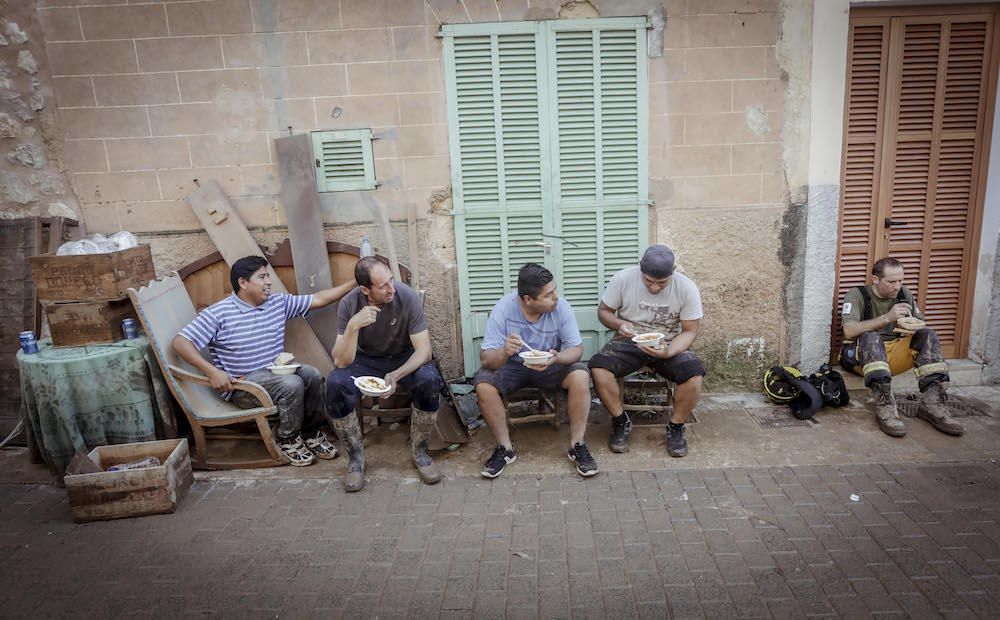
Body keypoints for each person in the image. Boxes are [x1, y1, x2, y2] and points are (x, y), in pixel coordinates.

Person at [173, 255, 355, 466]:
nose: (269, 281)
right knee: (292, 384)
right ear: (243, 282)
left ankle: (311, 434)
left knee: (313, 375)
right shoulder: (219, 313)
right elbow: (180, 342)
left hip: (274, 374)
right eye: (262, 277)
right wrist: (212, 371)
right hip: (243, 387)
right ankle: (287, 438)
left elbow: (319, 299)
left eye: (268, 276)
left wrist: (354, 283)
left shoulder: (277, 303)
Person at [326, 257, 444, 491]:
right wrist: (352, 327)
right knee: (334, 383)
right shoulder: (349, 304)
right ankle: (355, 460)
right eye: (383, 286)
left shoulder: (406, 296)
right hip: (365, 360)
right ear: (365, 289)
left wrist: (396, 375)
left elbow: (424, 350)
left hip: (403, 357)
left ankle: (420, 452)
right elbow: (340, 361)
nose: (392, 288)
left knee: (430, 379)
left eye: (391, 280)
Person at [475, 263, 597, 479]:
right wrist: (504, 351)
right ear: (528, 299)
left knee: (580, 375)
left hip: (551, 364)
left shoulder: (561, 308)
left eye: (555, 290)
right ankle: (505, 449)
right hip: (513, 367)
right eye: (549, 295)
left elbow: (576, 349)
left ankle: (577, 444)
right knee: (484, 384)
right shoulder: (503, 309)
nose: (556, 297)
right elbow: (487, 359)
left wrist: (557, 357)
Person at [588, 245, 706, 458]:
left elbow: (689, 332)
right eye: (648, 281)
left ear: (674, 271)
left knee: (694, 373)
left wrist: (669, 352)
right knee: (598, 367)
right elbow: (603, 312)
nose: (653, 288)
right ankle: (620, 421)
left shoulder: (687, 288)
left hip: (668, 342)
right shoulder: (623, 279)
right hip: (629, 341)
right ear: (640, 270)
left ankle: (676, 426)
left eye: (661, 283)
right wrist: (619, 324)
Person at [840, 257, 962, 438]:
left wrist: (911, 325)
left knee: (928, 334)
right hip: (863, 358)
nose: (896, 286)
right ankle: (886, 406)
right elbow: (849, 331)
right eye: (891, 282)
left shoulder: (904, 294)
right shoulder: (857, 295)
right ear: (875, 279)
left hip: (893, 356)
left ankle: (932, 403)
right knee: (871, 337)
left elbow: (920, 323)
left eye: (900, 281)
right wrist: (887, 318)